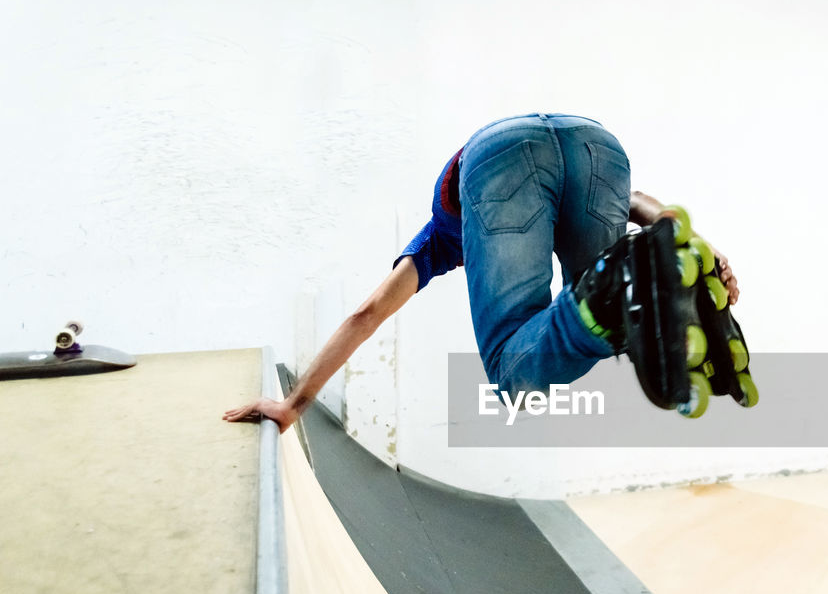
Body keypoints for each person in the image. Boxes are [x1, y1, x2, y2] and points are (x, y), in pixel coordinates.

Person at [223, 113, 739, 432]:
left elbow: (369, 312)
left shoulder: (440, 237)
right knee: (624, 299)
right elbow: (634, 200)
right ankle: (665, 294)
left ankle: (605, 298)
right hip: (596, 142)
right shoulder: (451, 238)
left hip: (498, 152)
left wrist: (293, 404)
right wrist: (695, 243)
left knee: (513, 373)